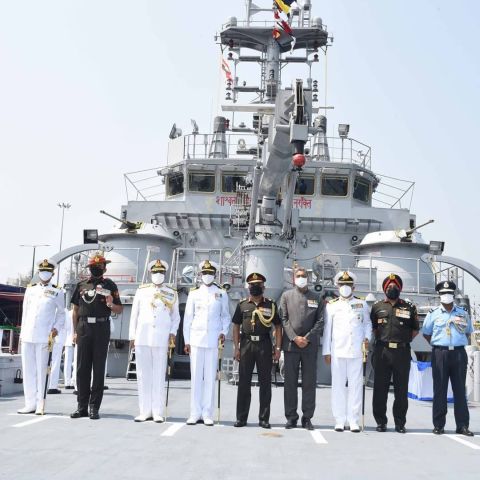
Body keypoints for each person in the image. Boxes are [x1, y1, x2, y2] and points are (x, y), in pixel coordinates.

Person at [70, 253, 123, 420]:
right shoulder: (81, 285)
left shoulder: (110, 285)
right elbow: (75, 311)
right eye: (94, 266)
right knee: (81, 369)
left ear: (104, 268)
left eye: (100, 266)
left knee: (98, 369)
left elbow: (119, 309)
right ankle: (81, 407)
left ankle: (94, 408)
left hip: (101, 327)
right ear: (90, 268)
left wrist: (110, 304)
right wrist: (74, 332)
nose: (97, 268)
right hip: (84, 327)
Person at [129, 259, 180, 423]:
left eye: (161, 272)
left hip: (161, 338)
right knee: (143, 375)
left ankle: (157, 411)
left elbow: (176, 317)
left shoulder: (171, 293)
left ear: (165, 274)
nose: (158, 275)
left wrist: (172, 333)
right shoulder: (141, 291)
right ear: (151, 273)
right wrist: (132, 336)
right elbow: (134, 314)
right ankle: (144, 411)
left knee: (158, 375)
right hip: (142, 337)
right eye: (155, 272)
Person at [422, 281, 474, 436]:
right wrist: (438, 343)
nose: (447, 296)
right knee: (440, 390)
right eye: (444, 293)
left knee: (459, 391)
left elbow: (468, 332)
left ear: (453, 295)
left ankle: (462, 425)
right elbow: (426, 332)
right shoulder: (433, 313)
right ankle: (438, 425)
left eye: (449, 293)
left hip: (458, 354)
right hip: (440, 354)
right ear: (439, 295)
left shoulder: (463, 313)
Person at [183, 260, 231, 426]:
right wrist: (187, 340)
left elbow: (225, 316)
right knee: (196, 377)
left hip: (213, 340)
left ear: (215, 275)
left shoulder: (221, 293)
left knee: (210, 378)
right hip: (196, 340)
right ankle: (194, 412)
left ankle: (207, 413)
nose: (207, 276)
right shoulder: (194, 293)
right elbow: (188, 318)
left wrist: (224, 332)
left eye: (210, 273)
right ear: (200, 274)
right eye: (205, 273)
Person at [323, 271, 371, 432]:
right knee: (338, 386)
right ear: (337, 286)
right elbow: (327, 329)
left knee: (355, 386)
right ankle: (339, 419)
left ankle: (353, 419)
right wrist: (326, 351)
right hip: (337, 351)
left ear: (354, 287)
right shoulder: (332, 305)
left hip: (357, 351)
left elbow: (367, 325)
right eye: (342, 285)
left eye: (348, 285)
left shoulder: (362, 304)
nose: (345, 287)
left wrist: (367, 338)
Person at [370, 273, 419, 433]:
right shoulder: (377, 307)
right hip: (382, 351)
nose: (392, 289)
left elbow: (414, 330)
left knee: (401, 389)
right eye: (390, 287)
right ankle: (381, 422)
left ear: (400, 289)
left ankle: (399, 423)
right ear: (385, 289)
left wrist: (402, 341)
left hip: (402, 352)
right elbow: (374, 329)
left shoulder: (409, 307)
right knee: (380, 388)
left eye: (395, 286)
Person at [232, 273, 282, 429]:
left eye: (258, 285)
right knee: (244, 383)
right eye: (252, 285)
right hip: (246, 344)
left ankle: (264, 418)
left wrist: (278, 348)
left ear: (263, 287)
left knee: (265, 383)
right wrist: (236, 347)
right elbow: (236, 326)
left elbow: (278, 327)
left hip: (264, 345)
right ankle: (241, 418)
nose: (255, 287)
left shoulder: (271, 305)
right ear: (248, 287)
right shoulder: (242, 305)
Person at [18, 259, 65, 414]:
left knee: (42, 371)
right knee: (28, 370)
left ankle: (40, 404)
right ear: (38, 273)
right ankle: (29, 403)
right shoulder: (30, 289)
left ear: (52, 274)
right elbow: (25, 313)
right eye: (42, 271)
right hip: (28, 335)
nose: (44, 274)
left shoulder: (58, 291)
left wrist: (56, 328)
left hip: (45, 336)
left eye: (48, 272)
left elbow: (61, 314)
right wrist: (22, 333)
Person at [280, 267, 324, 430]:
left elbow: (320, 321)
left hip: (309, 346)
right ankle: (291, 417)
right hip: (291, 346)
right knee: (290, 383)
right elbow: (283, 319)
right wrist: (294, 337)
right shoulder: (286, 296)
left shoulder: (316, 297)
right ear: (293, 278)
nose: (301, 278)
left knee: (309, 383)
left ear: (308, 278)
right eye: (298, 276)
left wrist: (307, 338)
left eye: (304, 276)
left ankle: (307, 417)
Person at [47, 302, 67, 394]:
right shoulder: (63, 311)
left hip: (47, 338)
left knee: (46, 362)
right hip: (57, 339)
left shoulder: (50, 310)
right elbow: (65, 327)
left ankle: (45, 385)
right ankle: (52, 386)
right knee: (55, 362)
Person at [63, 307, 75, 389]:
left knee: (67, 363)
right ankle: (73, 381)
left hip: (68, 340)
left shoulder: (68, 314)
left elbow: (65, 327)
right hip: (76, 340)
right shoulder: (79, 312)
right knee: (76, 362)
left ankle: (67, 382)